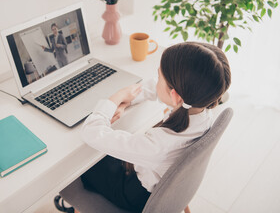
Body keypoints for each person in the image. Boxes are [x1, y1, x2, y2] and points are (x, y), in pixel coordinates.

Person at [54, 42, 231, 213]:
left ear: (175, 95)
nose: (156, 79)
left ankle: (73, 203)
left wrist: (116, 98)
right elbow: (160, 88)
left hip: (132, 196)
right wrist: (127, 101)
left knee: (82, 164)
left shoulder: (157, 146)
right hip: (169, 189)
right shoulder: (199, 108)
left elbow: (90, 132)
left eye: (160, 75)